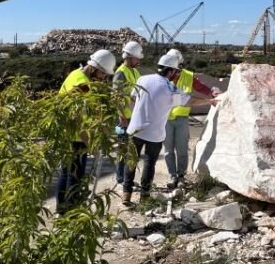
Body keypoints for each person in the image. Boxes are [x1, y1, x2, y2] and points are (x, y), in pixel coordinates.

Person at [122, 52, 217, 207]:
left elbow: (132, 99)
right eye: (175, 72)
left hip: (135, 129)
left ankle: (126, 195)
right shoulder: (169, 88)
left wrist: (135, 117)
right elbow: (190, 101)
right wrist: (209, 101)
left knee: (131, 161)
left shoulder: (142, 79)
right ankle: (144, 197)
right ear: (171, 71)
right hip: (154, 134)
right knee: (149, 163)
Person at [56, 48, 116, 214]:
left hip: (70, 134)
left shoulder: (78, 75)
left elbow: (89, 109)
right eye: (103, 74)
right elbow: (76, 117)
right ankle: (70, 212)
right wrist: (89, 141)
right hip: (74, 137)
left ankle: (62, 210)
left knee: (68, 172)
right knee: (75, 176)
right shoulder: (81, 83)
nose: (104, 78)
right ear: (96, 68)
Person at [163, 48, 221, 189]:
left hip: (182, 118)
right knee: (168, 150)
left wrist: (211, 92)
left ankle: (181, 175)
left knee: (182, 149)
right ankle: (172, 175)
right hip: (165, 119)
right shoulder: (163, 77)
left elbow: (199, 86)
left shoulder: (188, 76)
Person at [113, 40, 143, 184]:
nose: (138, 60)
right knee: (123, 149)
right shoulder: (120, 73)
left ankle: (127, 178)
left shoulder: (135, 71)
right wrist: (121, 116)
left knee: (132, 150)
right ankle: (121, 178)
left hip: (134, 117)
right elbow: (116, 97)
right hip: (124, 119)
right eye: (137, 57)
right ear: (129, 57)